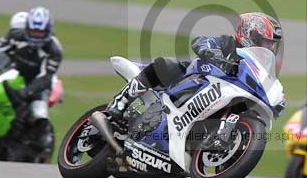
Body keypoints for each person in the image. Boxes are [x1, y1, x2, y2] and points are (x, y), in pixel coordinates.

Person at [92, 12, 283, 137]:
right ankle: (120, 102)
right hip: (194, 78)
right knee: (165, 65)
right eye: (265, 41)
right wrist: (209, 51)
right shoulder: (228, 44)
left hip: (222, 97)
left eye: (272, 44)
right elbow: (201, 41)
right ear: (250, 34)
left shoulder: (257, 67)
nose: (269, 47)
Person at [0, 6, 63, 143]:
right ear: (26, 27)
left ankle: (41, 142)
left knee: (39, 115)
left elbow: (46, 78)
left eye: (40, 33)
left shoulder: (54, 50)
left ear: (48, 31)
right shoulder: (15, 35)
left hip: (38, 83)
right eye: (33, 31)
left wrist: (25, 93)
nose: (36, 35)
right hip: (12, 73)